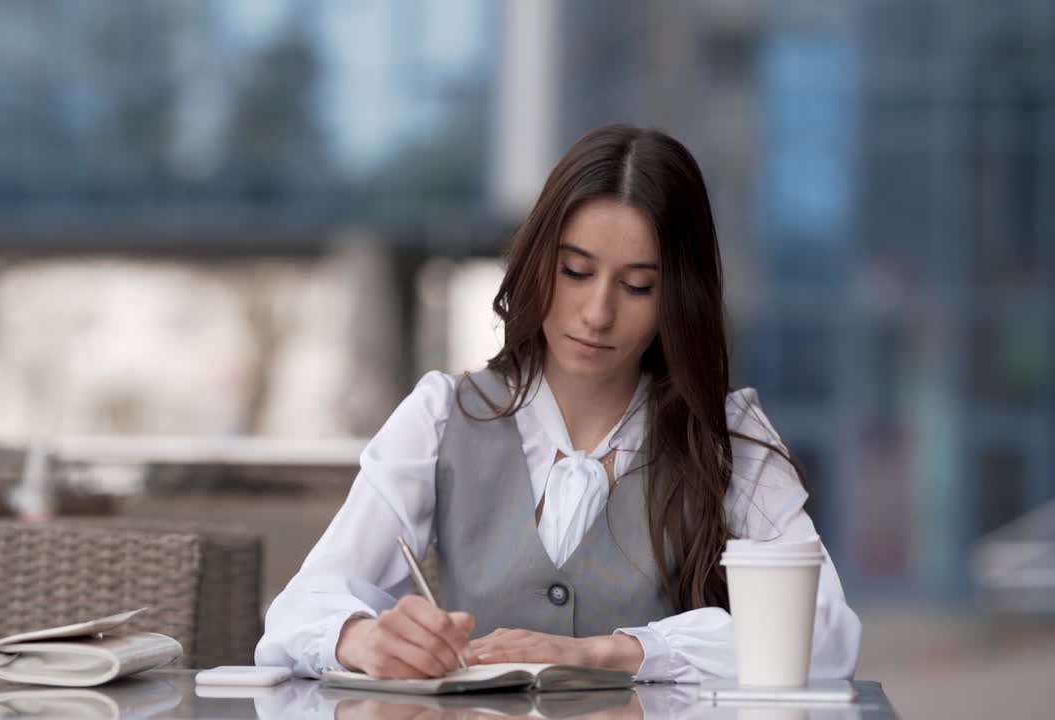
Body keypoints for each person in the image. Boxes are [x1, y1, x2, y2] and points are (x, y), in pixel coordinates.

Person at [254, 124, 861, 684]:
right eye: (575, 272)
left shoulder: (728, 436)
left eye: (638, 286)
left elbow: (827, 632)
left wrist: (610, 653)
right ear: (537, 260)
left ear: (678, 296)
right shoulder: (440, 416)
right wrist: (362, 639)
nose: (598, 314)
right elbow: (298, 611)